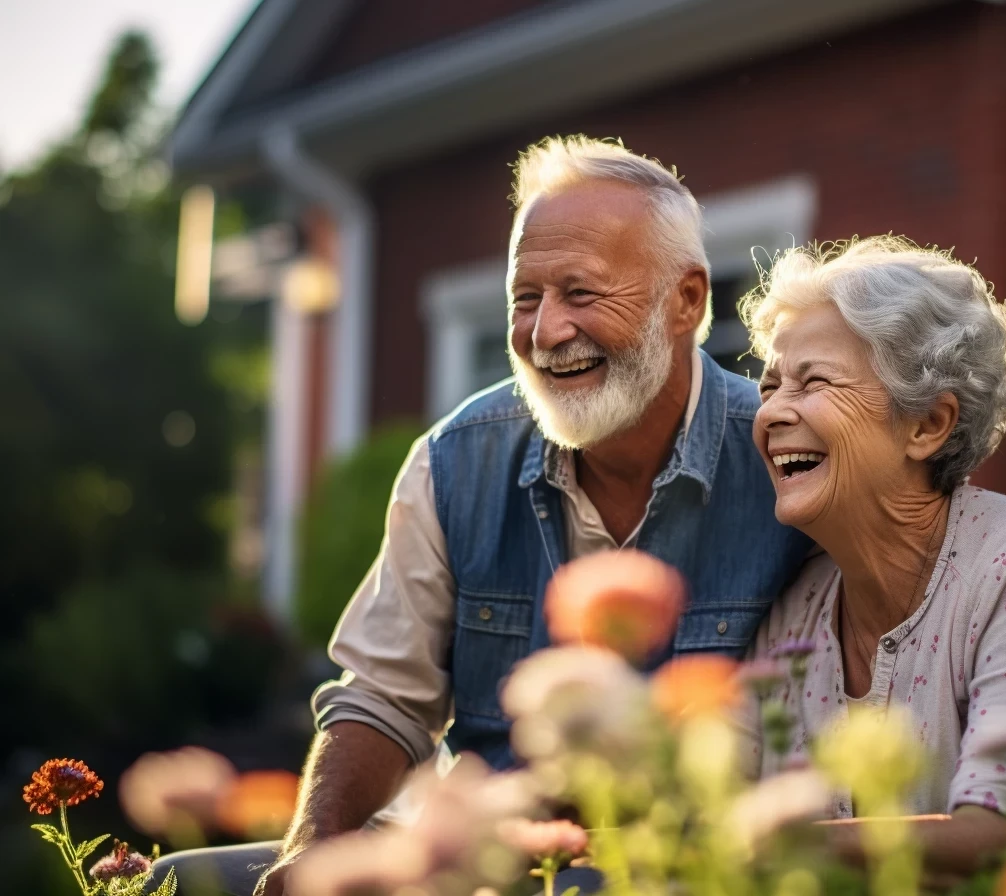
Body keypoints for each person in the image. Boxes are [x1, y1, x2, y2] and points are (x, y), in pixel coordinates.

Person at [152, 136, 810, 896]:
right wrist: (313, 849)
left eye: (582, 293)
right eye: (524, 299)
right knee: (178, 881)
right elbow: (383, 696)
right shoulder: (456, 458)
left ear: (687, 301)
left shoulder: (782, 455)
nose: (545, 332)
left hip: (684, 862)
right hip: (475, 857)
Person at [741, 236, 1006, 879]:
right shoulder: (796, 615)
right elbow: (710, 811)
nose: (772, 413)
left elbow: (997, 835)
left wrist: (776, 845)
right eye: (770, 387)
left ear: (927, 425)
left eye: (812, 381)